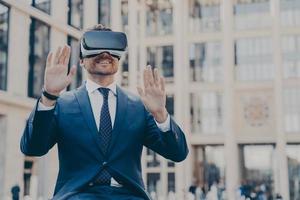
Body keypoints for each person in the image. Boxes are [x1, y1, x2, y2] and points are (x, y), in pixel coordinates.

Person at [20, 24, 189, 200]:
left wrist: (161, 114)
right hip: (78, 195)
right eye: (95, 48)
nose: (105, 53)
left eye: (111, 48)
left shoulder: (139, 107)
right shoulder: (62, 104)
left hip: (129, 196)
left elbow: (178, 153)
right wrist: (49, 96)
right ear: (81, 61)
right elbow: (33, 148)